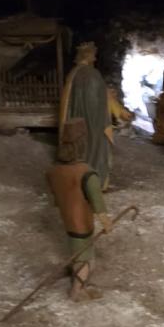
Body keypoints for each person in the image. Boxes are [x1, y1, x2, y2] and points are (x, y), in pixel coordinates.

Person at [45, 118, 113, 302]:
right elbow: (97, 202)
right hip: (82, 223)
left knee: (77, 251)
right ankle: (77, 291)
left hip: (67, 220)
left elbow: (56, 199)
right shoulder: (86, 173)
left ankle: (76, 272)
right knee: (86, 259)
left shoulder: (53, 171)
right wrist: (106, 222)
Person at [58, 42, 111, 190]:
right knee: (94, 146)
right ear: (87, 55)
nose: (95, 58)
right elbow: (98, 103)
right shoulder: (93, 75)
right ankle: (94, 180)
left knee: (80, 145)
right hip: (94, 121)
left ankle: (78, 177)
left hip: (76, 121)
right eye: (93, 55)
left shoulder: (73, 74)